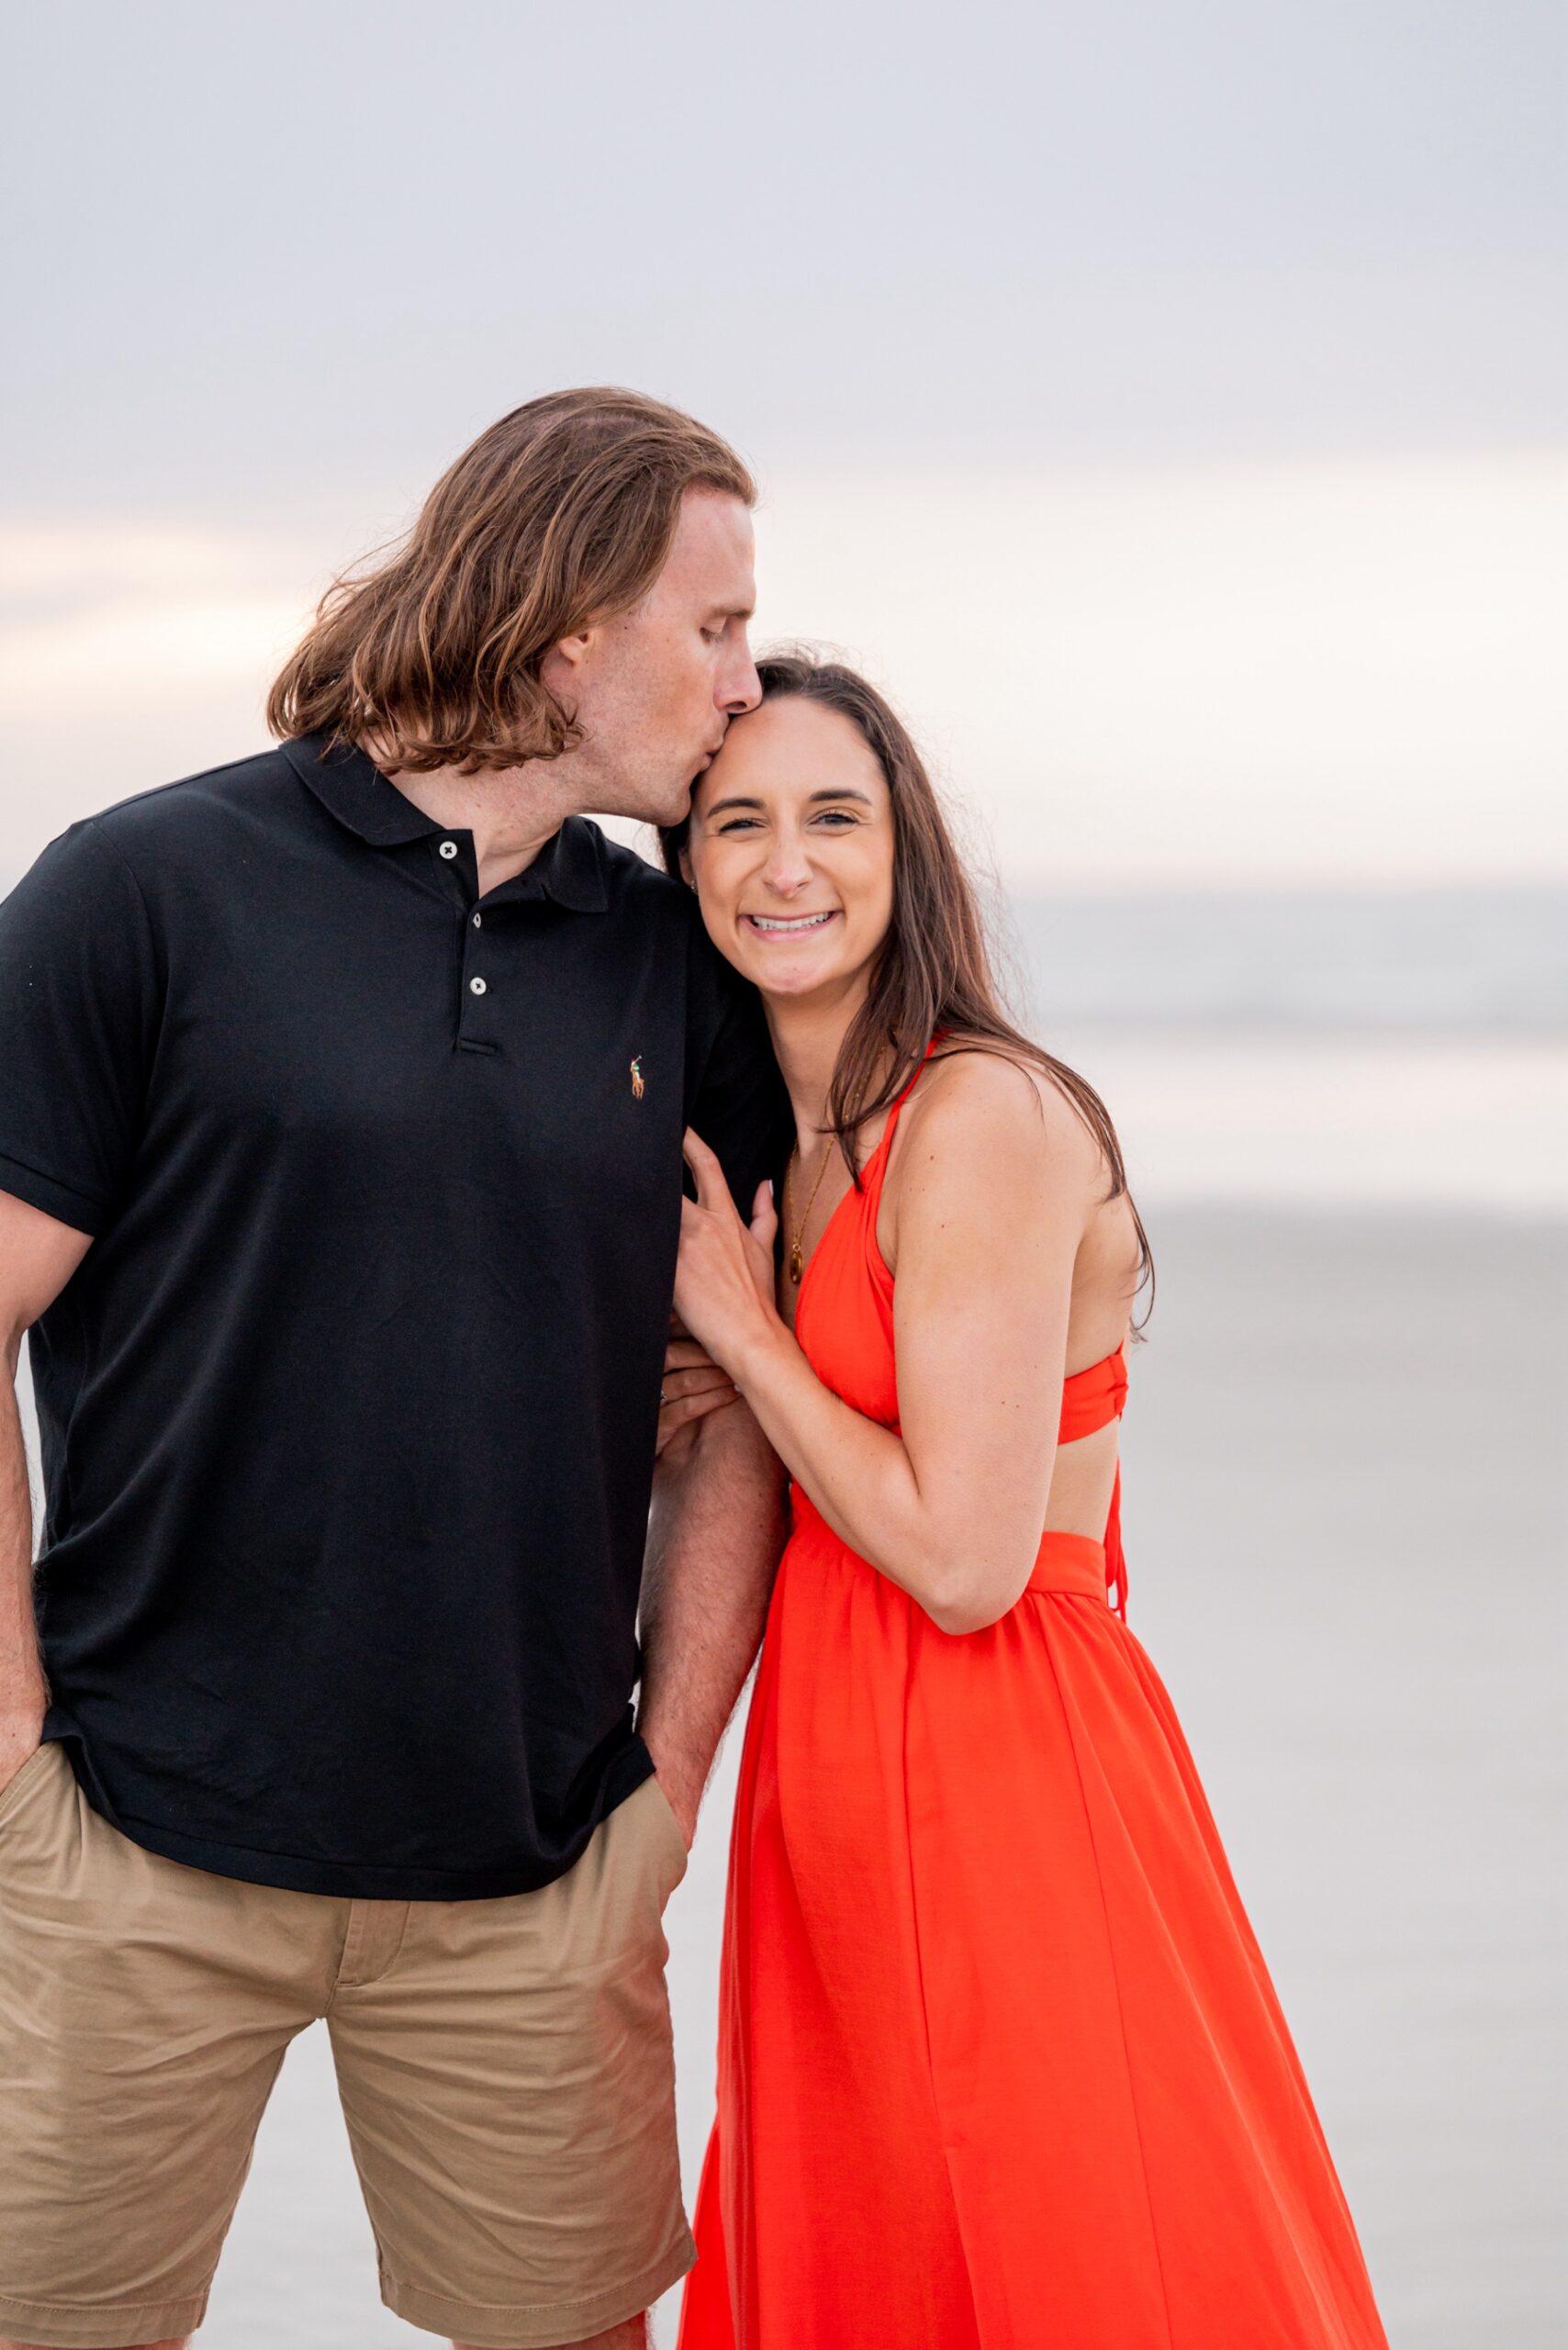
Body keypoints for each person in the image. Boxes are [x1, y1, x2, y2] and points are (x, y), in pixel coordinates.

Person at [0, 388, 792, 2350]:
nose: (743, 679)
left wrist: (664, 1790)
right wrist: (16, 1762)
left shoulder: (670, 956)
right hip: (134, 1841)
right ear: (565, 633)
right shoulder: (148, 887)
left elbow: (730, 1411)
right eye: (711, 627)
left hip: (532, 1876)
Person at [661, 655, 1390, 2349]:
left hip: (995, 1761)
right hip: (831, 1758)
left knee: (1064, 2242)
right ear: (685, 862)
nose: (788, 865)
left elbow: (965, 1558)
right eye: (738, 821)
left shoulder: (974, 1112)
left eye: (835, 818)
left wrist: (749, 1343)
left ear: (908, 851)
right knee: (888, 2248)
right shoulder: (790, 1128)